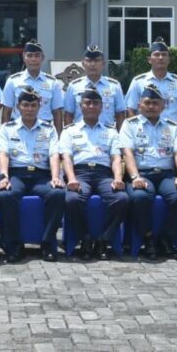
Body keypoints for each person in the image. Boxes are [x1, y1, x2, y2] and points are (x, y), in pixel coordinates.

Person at [118, 82, 177, 260]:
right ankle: (149, 238)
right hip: (142, 174)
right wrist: (135, 176)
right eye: (147, 103)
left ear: (163, 106)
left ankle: (166, 239)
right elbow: (127, 153)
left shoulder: (172, 126)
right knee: (139, 197)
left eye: (155, 103)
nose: (151, 107)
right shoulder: (130, 125)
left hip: (166, 174)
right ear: (139, 105)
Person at [0, 86, 65, 262]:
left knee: (57, 193)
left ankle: (47, 243)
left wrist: (56, 177)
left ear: (39, 106)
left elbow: (53, 155)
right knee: (7, 194)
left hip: (41, 176)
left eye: (33, 105)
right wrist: (3, 177)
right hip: (17, 174)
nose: (29, 109)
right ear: (18, 106)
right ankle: (13, 244)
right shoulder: (7, 129)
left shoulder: (48, 129)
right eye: (25, 105)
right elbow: (3, 155)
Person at [59, 87, 128, 261]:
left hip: (104, 174)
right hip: (80, 173)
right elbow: (66, 158)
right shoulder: (69, 131)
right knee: (71, 200)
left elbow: (116, 158)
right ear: (80, 106)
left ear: (101, 107)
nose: (91, 106)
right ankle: (85, 238)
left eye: (95, 103)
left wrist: (118, 178)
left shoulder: (111, 132)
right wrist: (72, 178)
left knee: (122, 199)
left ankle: (104, 239)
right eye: (87, 103)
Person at [0, 40, 64, 132]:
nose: (33, 59)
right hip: (18, 130)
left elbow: (57, 113)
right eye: (29, 55)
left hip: (45, 131)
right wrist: (5, 135)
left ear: (42, 58)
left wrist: (58, 138)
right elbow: (7, 111)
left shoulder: (52, 82)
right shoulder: (13, 81)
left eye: (37, 55)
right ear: (24, 57)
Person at [126, 37, 177, 126]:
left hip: (171, 134)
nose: (160, 58)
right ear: (149, 59)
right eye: (157, 55)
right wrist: (134, 130)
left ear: (169, 60)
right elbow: (130, 109)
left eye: (164, 55)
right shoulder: (139, 81)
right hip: (145, 134)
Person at [62, 45, 126, 130]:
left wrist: (119, 137)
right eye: (89, 60)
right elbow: (68, 114)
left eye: (96, 61)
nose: (92, 64)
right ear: (83, 63)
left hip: (107, 136)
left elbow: (120, 114)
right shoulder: (74, 86)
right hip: (80, 136)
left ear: (103, 63)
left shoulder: (114, 86)